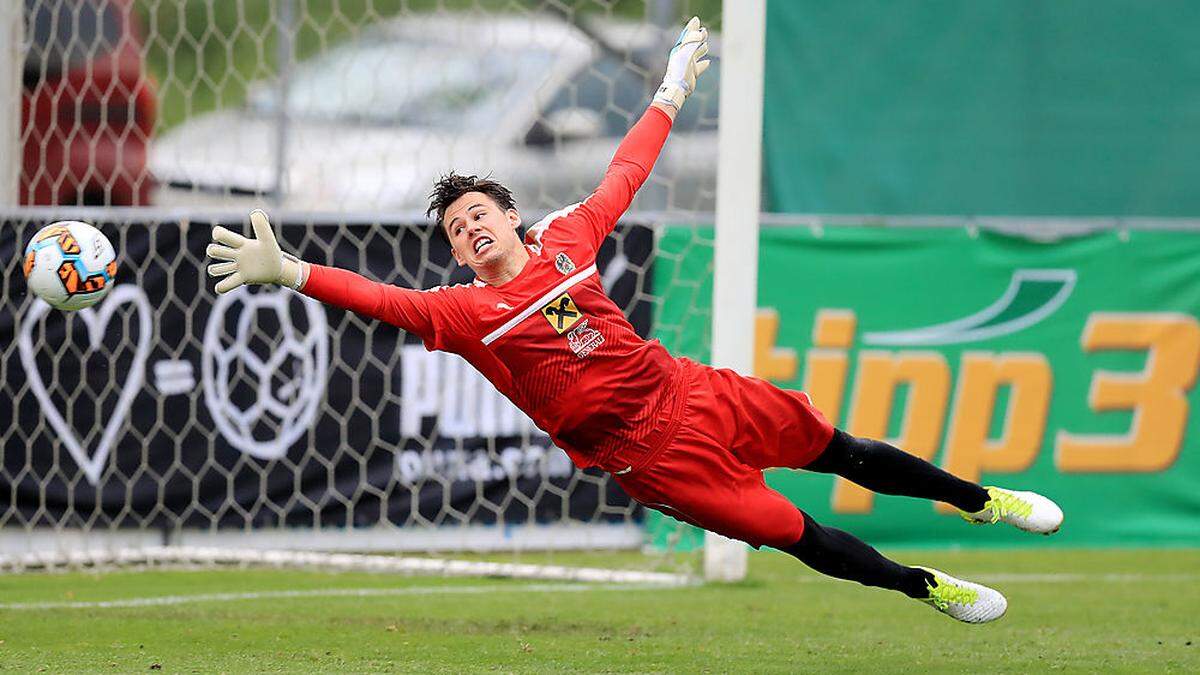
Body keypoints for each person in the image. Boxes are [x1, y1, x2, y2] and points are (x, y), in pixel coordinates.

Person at [205, 17, 1062, 624]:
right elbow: (380, 299)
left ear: (510, 216)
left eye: (479, 212)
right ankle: (926, 587)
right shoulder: (468, 312)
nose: (470, 225)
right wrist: (291, 272)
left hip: (691, 391)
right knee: (796, 533)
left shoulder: (569, 237)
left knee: (839, 449)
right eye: (457, 228)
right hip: (649, 457)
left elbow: (626, 170)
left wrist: (668, 89)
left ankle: (981, 499)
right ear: (462, 255)